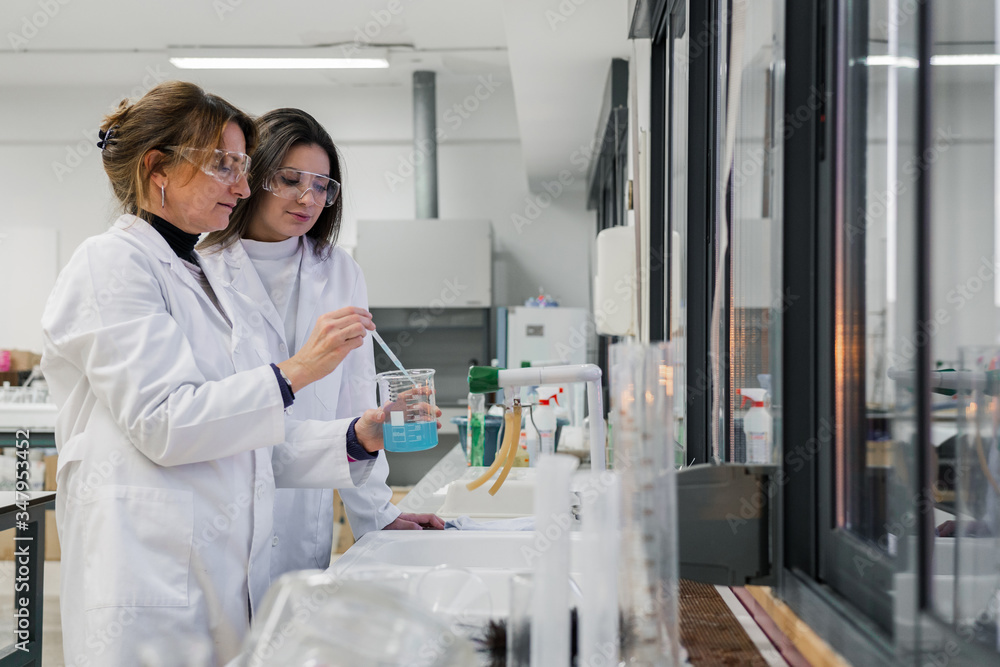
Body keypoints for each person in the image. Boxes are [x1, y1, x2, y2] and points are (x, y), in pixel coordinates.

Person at [40, 82, 389, 667]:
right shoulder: (110, 263)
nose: (243, 186)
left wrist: (355, 438)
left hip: (211, 572)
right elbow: (166, 423)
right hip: (148, 572)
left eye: (243, 167)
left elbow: (241, 435)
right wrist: (298, 370)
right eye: (224, 165)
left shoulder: (192, 274)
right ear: (157, 169)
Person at [201, 108, 444, 582]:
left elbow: (355, 401)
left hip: (302, 513)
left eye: (321, 186)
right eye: (290, 179)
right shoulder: (201, 268)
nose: (308, 198)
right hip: (224, 510)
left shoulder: (339, 270)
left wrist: (378, 514)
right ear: (251, 176)